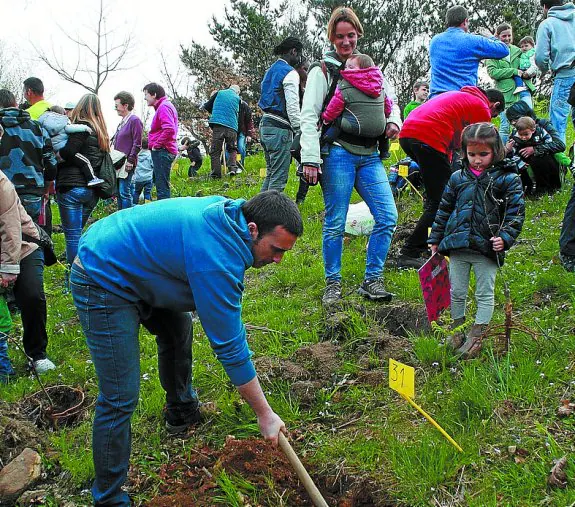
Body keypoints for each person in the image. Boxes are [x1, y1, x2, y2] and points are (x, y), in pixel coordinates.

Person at [70, 190, 303, 506]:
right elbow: (230, 346)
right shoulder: (217, 257)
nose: (278, 259)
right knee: (120, 395)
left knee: (179, 329)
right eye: (276, 249)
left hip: (135, 260)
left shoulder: (232, 216)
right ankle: (109, 497)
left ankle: (181, 413)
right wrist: (264, 414)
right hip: (102, 274)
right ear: (252, 229)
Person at [300, 6, 399, 305]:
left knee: (387, 216)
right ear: (332, 37)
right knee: (335, 220)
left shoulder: (371, 68)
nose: (346, 42)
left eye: (351, 36)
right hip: (338, 153)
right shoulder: (323, 70)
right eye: (340, 37)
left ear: (358, 35)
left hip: (370, 154)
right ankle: (333, 282)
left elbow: (389, 99)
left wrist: (394, 120)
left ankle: (373, 279)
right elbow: (309, 116)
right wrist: (310, 158)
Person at [429, 123, 524, 358]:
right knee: (457, 290)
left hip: (486, 248)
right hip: (458, 245)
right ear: (464, 152)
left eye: (483, 154)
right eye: (472, 154)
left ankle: (478, 334)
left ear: (496, 151)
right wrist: (436, 238)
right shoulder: (457, 177)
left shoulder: (507, 179)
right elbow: (444, 209)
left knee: (484, 292)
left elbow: (516, 213)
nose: (477, 160)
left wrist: (505, 237)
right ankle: (457, 329)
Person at [397, 86, 505, 269]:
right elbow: (479, 146)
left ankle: (430, 241)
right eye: (494, 115)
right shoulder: (482, 108)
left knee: (438, 195)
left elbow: (455, 145)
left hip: (408, 133)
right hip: (428, 137)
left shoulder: (461, 96)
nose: (491, 118)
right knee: (442, 201)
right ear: (495, 105)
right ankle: (409, 252)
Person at [0, 142, 54, 374]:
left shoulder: (1, 183)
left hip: (23, 246)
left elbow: (10, 227)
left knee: (31, 295)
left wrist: (8, 268)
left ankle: (37, 354)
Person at [57, 93, 109, 267]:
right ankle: (86, 273)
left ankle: (73, 279)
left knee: (72, 237)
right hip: (91, 191)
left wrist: (58, 154)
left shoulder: (81, 128)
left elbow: (69, 151)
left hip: (71, 187)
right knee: (78, 234)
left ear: (80, 107)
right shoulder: (101, 132)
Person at [0, 89, 57, 226]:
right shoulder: (37, 127)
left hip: (2, 190)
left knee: (5, 239)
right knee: (30, 239)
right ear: (15, 104)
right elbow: (51, 162)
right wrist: (46, 187)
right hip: (31, 191)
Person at [320, 53, 393, 159]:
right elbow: (387, 105)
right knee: (383, 129)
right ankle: (384, 150)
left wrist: (326, 117)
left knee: (336, 123)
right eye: (345, 67)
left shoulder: (345, 87)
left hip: (352, 127)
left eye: (351, 67)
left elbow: (335, 105)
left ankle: (325, 144)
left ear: (364, 69)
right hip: (377, 130)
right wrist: (387, 114)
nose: (346, 70)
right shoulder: (379, 87)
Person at [429, 5, 509, 98]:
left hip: (436, 100)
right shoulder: (473, 41)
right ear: (465, 21)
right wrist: (491, 36)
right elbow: (504, 50)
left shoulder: (434, 41)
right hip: (461, 100)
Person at [259, 37, 303, 192]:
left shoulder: (270, 71)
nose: (299, 60)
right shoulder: (290, 73)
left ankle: (256, 212)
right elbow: (292, 106)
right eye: (299, 55)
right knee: (278, 179)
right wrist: (299, 130)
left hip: (265, 125)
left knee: (271, 173)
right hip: (280, 128)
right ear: (293, 51)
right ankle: (270, 215)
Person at [486, 23, 535, 143]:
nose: (507, 39)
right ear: (497, 36)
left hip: (524, 90)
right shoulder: (492, 54)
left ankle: (530, 152)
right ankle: (502, 156)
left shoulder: (518, 50)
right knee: (505, 126)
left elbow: (530, 61)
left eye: (509, 35)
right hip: (506, 94)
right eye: (504, 36)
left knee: (529, 123)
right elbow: (493, 72)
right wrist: (513, 71)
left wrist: (531, 71)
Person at [505, 100, 566, 195]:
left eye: (515, 118)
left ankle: (546, 189)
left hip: (545, 161)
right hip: (524, 163)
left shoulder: (542, 124)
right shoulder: (516, 132)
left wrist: (535, 149)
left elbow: (559, 145)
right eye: (510, 120)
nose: (513, 122)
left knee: (539, 158)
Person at [535, 0, 575, 144]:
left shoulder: (547, 23)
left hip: (565, 74)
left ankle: (559, 164)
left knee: (558, 124)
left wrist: (545, 69)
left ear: (545, 7)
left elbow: (540, 57)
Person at [37, 105, 104, 187]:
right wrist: (85, 128)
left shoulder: (43, 124)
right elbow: (71, 128)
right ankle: (91, 178)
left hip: (53, 150)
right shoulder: (62, 123)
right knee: (84, 161)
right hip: (64, 148)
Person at [144, 83, 178, 199]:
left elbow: (169, 129)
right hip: (163, 150)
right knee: (159, 184)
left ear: (154, 95)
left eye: (146, 94)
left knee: (162, 187)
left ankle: (164, 214)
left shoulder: (164, 107)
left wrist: (156, 145)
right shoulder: (164, 107)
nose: (145, 98)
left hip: (163, 151)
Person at [112, 91, 143, 209]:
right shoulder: (122, 123)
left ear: (125, 106)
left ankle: (127, 218)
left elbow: (137, 143)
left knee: (124, 192)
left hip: (127, 162)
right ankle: (120, 216)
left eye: (117, 106)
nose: (116, 109)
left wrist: (131, 160)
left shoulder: (134, 121)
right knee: (119, 193)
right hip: (118, 163)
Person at [202, 85, 241, 177]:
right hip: (232, 126)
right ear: (237, 92)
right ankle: (232, 169)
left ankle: (216, 174)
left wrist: (216, 112)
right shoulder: (237, 98)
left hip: (218, 125)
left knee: (215, 151)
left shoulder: (220, 93)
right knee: (232, 149)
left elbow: (207, 105)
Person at [294, 59, 311, 205]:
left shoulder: (308, 89)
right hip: (297, 128)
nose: (307, 72)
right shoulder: (293, 86)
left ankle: (300, 199)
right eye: (305, 69)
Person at [132, 138, 154, 203]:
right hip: (148, 178)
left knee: (136, 192)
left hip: (138, 178)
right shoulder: (150, 155)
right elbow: (153, 165)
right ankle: (147, 207)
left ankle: (134, 205)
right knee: (147, 193)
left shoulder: (137, 155)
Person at [237, 99, 255, 168]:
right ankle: (231, 166)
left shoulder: (244, 106)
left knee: (241, 147)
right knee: (230, 149)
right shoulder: (230, 106)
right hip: (232, 131)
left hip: (242, 131)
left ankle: (241, 165)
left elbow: (249, 121)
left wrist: (249, 134)